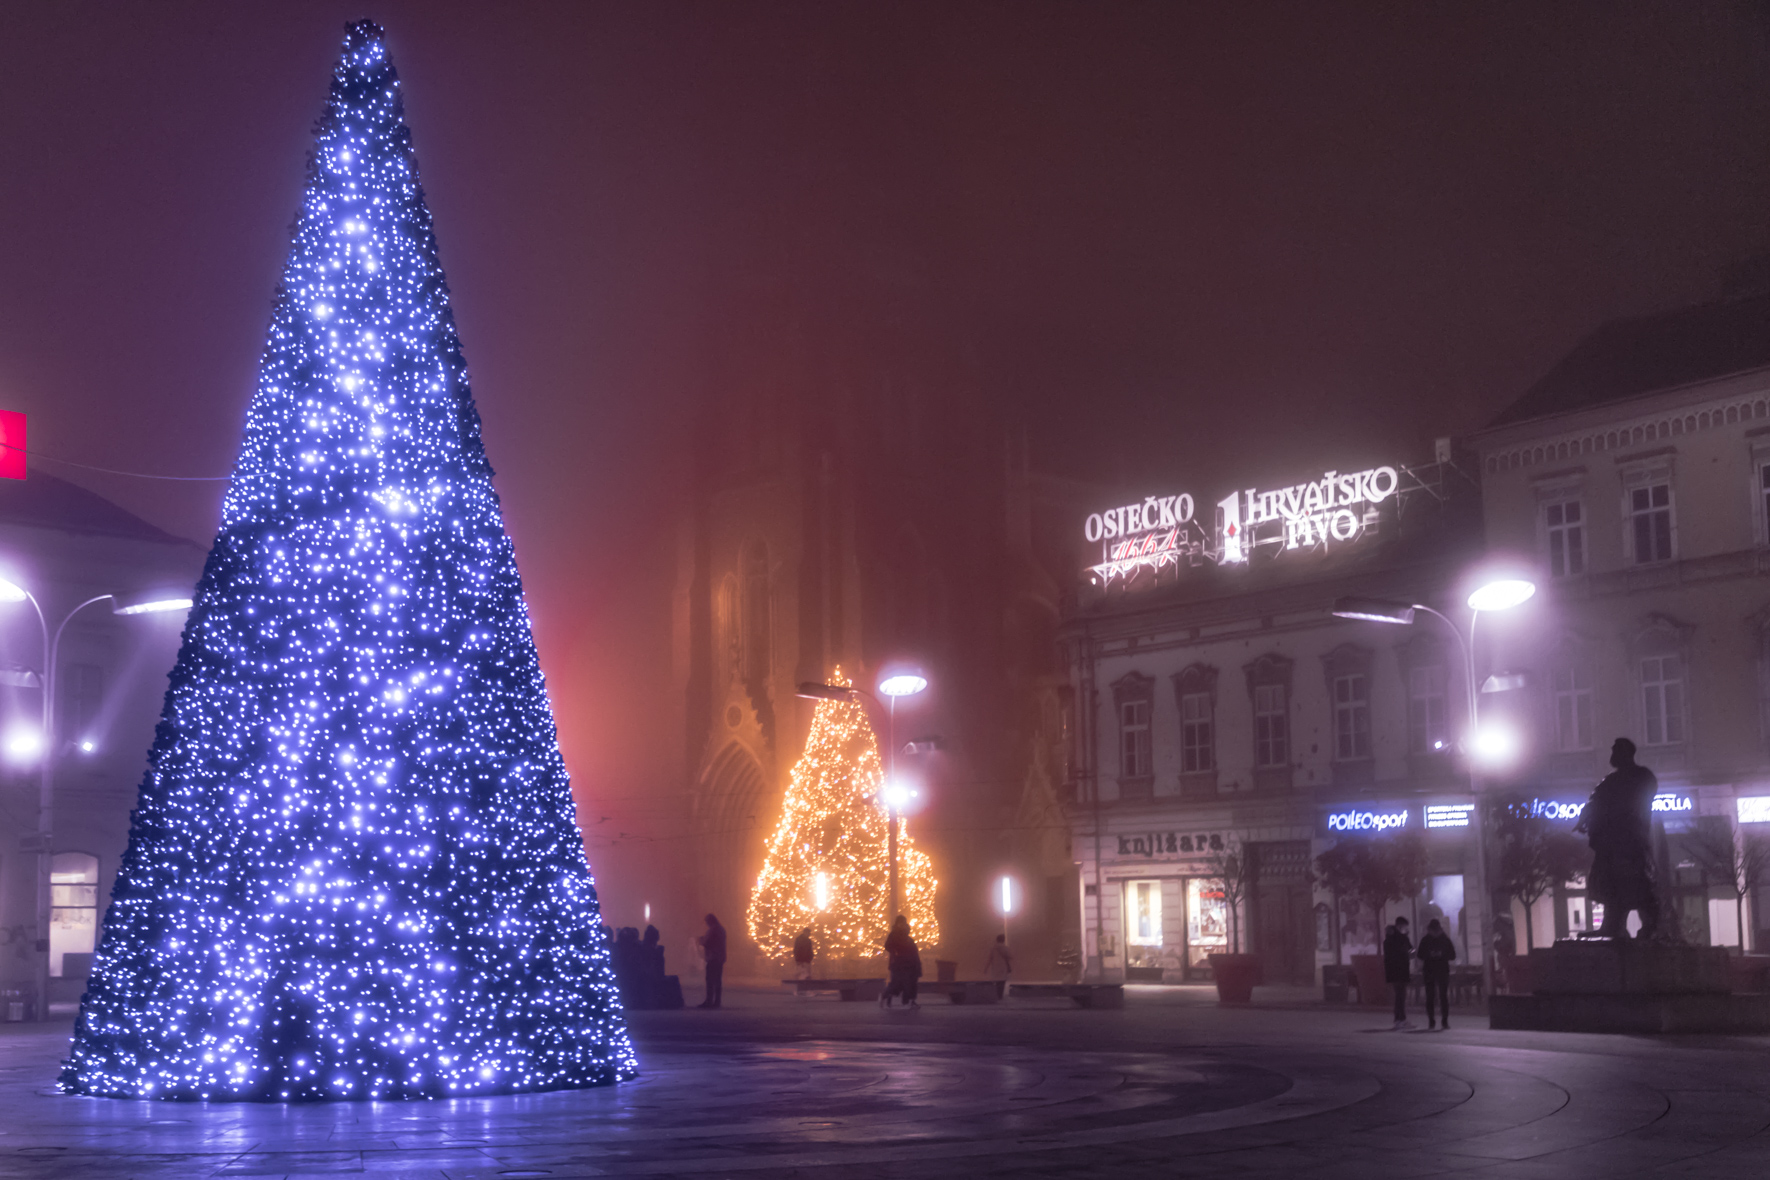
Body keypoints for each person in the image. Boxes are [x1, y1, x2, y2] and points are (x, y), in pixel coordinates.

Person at [1575, 737, 1662, 940]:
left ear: (1626, 754)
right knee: (1610, 884)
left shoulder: (1642, 777)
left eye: (1615, 752)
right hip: (1611, 843)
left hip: (1630, 841)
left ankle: (1653, 924)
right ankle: (1612, 926)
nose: (1611, 757)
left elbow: (1633, 804)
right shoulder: (1610, 781)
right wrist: (1583, 821)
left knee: (1637, 883)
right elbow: (1593, 803)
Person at [1415, 918, 1457, 1031]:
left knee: (1439, 997)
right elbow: (1420, 954)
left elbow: (1452, 955)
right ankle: (1436, 1021)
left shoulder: (1438, 940)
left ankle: (1439, 1021)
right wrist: (1434, 955)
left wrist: (1439, 955)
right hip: (1436, 971)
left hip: (1434, 970)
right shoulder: (1441, 940)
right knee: (1434, 997)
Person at [881, 915, 921, 1009]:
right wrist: (896, 952)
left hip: (908, 963)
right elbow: (888, 946)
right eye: (901, 923)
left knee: (910, 982)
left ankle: (909, 1001)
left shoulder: (908, 938)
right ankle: (887, 996)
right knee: (897, 983)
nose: (902, 925)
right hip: (898, 964)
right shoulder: (894, 935)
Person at [1383, 917, 1414, 1029]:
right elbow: (1410, 951)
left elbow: (1411, 950)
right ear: (1400, 926)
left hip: (1394, 970)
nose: (1406, 929)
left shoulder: (1390, 938)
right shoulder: (1400, 938)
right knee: (1400, 996)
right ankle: (1400, 1019)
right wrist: (1409, 953)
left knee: (1400, 996)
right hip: (1400, 969)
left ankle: (1401, 1019)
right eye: (1405, 927)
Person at [696, 913, 727, 1009]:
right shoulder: (722, 930)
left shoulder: (712, 930)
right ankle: (717, 1001)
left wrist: (700, 940)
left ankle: (709, 1000)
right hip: (720, 958)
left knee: (710, 980)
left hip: (713, 958)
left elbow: (707, 943)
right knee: (718, 980)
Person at [986, 934, 1013, 999]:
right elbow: (1010, 956)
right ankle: (1000, 996)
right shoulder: (1005, 948)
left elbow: (989, 959)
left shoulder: (993, 948)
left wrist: (986, 968)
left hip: (995, 967)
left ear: (997, 940)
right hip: (1003, 967)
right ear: (1003, 940)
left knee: (996, 982)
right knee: (1002, 981)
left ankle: (996, 995)